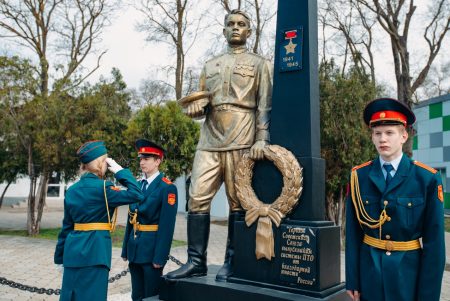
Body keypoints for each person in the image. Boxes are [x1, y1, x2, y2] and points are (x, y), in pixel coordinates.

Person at [166, 9, 272, 281]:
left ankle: (232, 262)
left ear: (249, 31)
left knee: (238, 202)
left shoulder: (260, 63)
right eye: (230, 24)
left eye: (241, 24)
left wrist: (262, 137)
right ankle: (196, 261)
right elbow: (202, 102)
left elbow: (264, 105)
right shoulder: (210, 65)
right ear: (224, 30)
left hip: (242, 133)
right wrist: (195, 109)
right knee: (197, 198)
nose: (235, 28)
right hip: (210, 137)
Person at [345, 98, 446, 301]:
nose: (383, 139)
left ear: (403, 136)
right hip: (370, 275)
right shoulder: (359, 177)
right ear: (372, 137)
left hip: (408, 276)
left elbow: (435, 244)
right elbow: (353, 234)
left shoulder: (426, 178)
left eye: (390, 133)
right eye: (377, 133)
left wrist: (428, 295)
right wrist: (353, 280)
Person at [54, 140, 144, 301]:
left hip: (72, 253)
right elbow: (137, 193)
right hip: (96, 254)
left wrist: (59, 258)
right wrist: (119, 170)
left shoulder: (72, 190)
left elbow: (66, 227)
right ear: (101, 163)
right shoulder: (104, 188)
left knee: (72, 297)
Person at [121, 139, 178, 300]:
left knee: (151, 296)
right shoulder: (137, 185)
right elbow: (131, 219)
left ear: (158, 161)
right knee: (136, 295)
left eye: (146, 159)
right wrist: (125, 248)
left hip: (151, 252)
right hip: (135, 249)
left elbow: (167, 226)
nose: (142, 162)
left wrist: (160, 256)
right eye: (140, 159)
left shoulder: (167, 187)